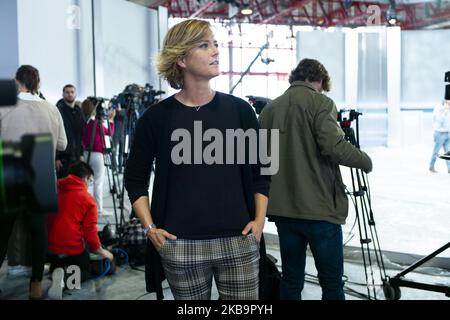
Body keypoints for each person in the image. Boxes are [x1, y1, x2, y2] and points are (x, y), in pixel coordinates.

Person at [124, 19, 270, 300]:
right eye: (204, 45)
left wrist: (259, 222)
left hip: (238, 239)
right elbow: (135, 179)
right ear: (181, 59)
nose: (216, 51)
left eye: (215, 44)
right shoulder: (155, 118)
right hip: (180, 244)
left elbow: (263, 169)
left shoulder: (241, 111)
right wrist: (150, 229)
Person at [259, 58, 373, 300]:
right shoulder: (321, 102)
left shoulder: (270, 109)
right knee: (332, 283)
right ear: (319, 80)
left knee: (291, 279)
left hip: (283, 210)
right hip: (319, 211)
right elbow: (334, 147)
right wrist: (365, 160)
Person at [0, 65, 67, 299]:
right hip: (41, 172)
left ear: (18, 83)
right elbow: (62, 145)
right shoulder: (51, 109)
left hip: (11, 169)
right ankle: (36, 284)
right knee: (39, 232)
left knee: (3, 230)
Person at [47, 161, 114, 300]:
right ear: (84, 178)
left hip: (48, 248)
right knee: (86, 270)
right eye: (90, 180)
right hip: (71, 247)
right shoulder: (87, 199)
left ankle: (57, 270)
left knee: (60, 262)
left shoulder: (54, 189)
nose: (89, 184)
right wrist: (102, 251)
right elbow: (90, 233)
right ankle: (65, 280)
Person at [82, 99, 115, 216]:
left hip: (86, 153)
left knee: (85, 181)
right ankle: (99, 209)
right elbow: (109, 133)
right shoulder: (95, 123)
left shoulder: (86, 122)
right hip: (97, 154)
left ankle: (83, 206)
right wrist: (111, 120)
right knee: (98, 182)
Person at [55, 84, 86, 178]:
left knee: (76, 185)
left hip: (76, 156)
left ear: (75, 94)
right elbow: (55, 134)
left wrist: (81, 154)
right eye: (67, 92)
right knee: (63, 186)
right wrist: (56, 158)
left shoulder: (78, 111)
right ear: (63, 94)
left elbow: (80, 135)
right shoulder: (58, 110)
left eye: (72, 92)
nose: (70, 94)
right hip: (63, 157)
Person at [429, 99, 450, 173]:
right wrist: (445, 110)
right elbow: (439, 120)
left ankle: (449, 168)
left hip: (447, 133)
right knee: (436, 151)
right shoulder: (439, 108)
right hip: (439, 133)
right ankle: (431, 166)